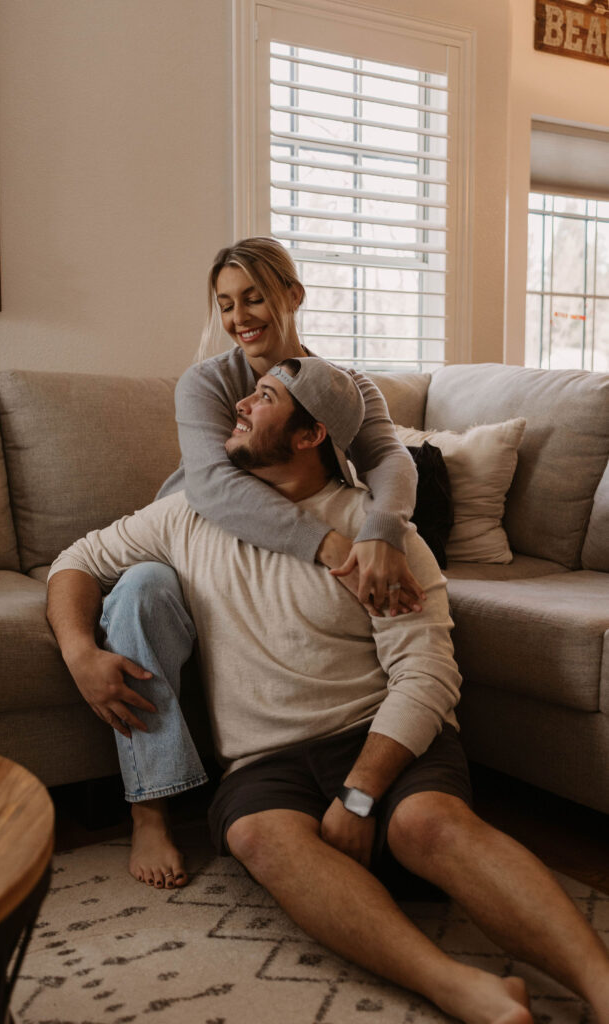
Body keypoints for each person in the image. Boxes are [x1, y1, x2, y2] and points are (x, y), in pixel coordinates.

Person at [47, 358, 609, 1024]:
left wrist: (362, 789)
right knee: (260, 837)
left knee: (425, 823)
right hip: (266, 763)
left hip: (379, 738)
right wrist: (81, 653)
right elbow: (76, 560)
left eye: (263, 398)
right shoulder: (189, 516)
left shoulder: (382, 543)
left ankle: (600, 987)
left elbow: (427, 675)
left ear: (311, 434)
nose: (238, 406)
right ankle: (459, 986)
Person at [51, 237, 426, 887]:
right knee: (139, 590)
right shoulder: (208, 382)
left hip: (297, 544)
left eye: (252, 296)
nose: (238, 316)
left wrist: (383, 533)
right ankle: (149, 811)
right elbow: (215, 489)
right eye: (224, 303)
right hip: (199, 541)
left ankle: (331, 768)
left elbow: (390, 460)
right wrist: (332, 546)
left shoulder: (344, 386)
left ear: (293, 295)